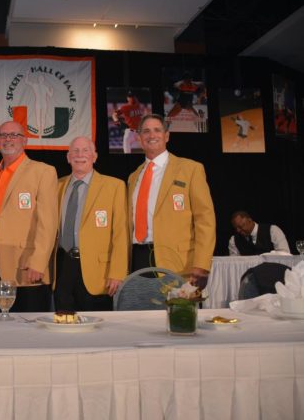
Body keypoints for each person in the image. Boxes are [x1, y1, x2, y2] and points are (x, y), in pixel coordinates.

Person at [127, 114, 216, 287]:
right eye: (146, 131)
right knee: (141, 314)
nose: (151, 135)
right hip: (139, 260)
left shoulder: (191, 169)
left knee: (179, 314)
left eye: (157, 130)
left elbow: (205, 219)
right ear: (139, 138)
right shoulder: (133, 177)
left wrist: (202, 263)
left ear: (167, 136)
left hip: (179, 263)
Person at [0, 120, 59, 312]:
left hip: (28, 266)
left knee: (32, 330)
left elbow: (48, 223)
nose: (8, 139)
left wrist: (38, 262)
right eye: (3, 135)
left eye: (13, 135)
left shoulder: (43, 171)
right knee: (6, 326)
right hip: (0, 263)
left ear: (25, 141)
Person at [54, 136, 129, 311]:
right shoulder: (56, 186)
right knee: (63, 326)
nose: (80, 155)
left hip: (98, 272)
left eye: (85, 150)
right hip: (62, 267)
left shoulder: (114, 186)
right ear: (68, 157)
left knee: (97, 331)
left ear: (94, 157)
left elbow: (120, 233)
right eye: (75, 151)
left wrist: (117, 272)